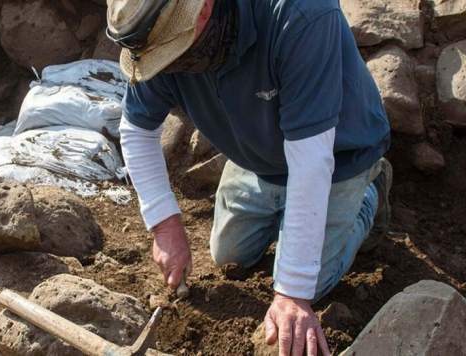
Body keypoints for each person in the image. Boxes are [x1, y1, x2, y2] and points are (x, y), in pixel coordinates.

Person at [106, 0, 391, 355]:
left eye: (173, 52)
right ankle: (291, 214)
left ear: (205, 9)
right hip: (259, 157)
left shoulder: (300, 14)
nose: (169, 64)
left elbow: (311, 160)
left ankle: (368, 196)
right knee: (229, 256)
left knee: (309, 282)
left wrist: (292, 293)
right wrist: (163, 224)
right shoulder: (154, 31)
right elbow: (136, 129)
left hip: (339, 154)